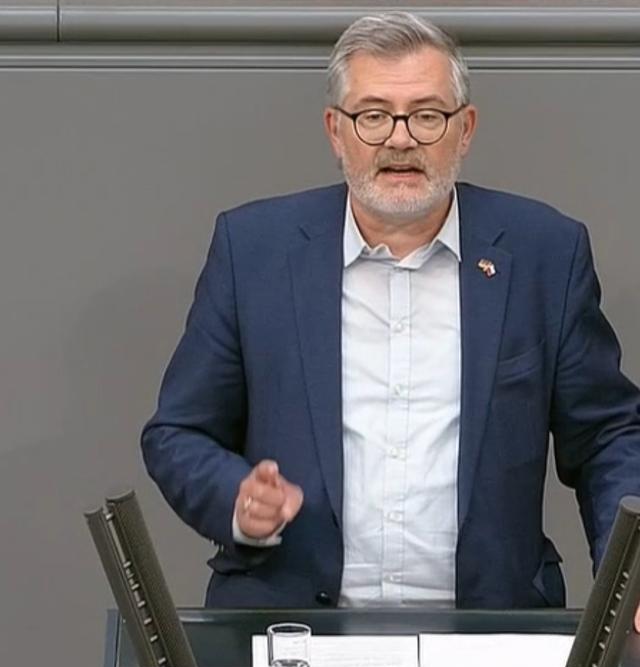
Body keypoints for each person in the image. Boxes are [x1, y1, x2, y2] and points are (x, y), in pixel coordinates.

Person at [141, 12, 640, 612]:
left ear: (465, 130)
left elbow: (608, 436)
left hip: (491, 630)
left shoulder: (544, 254)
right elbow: (178, 433)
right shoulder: (253, 252)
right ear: (336, 131)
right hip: (291, 629)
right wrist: (237, 500)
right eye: (373, 116)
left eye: (426, 116)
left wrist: (631, 577)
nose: (400, 139)